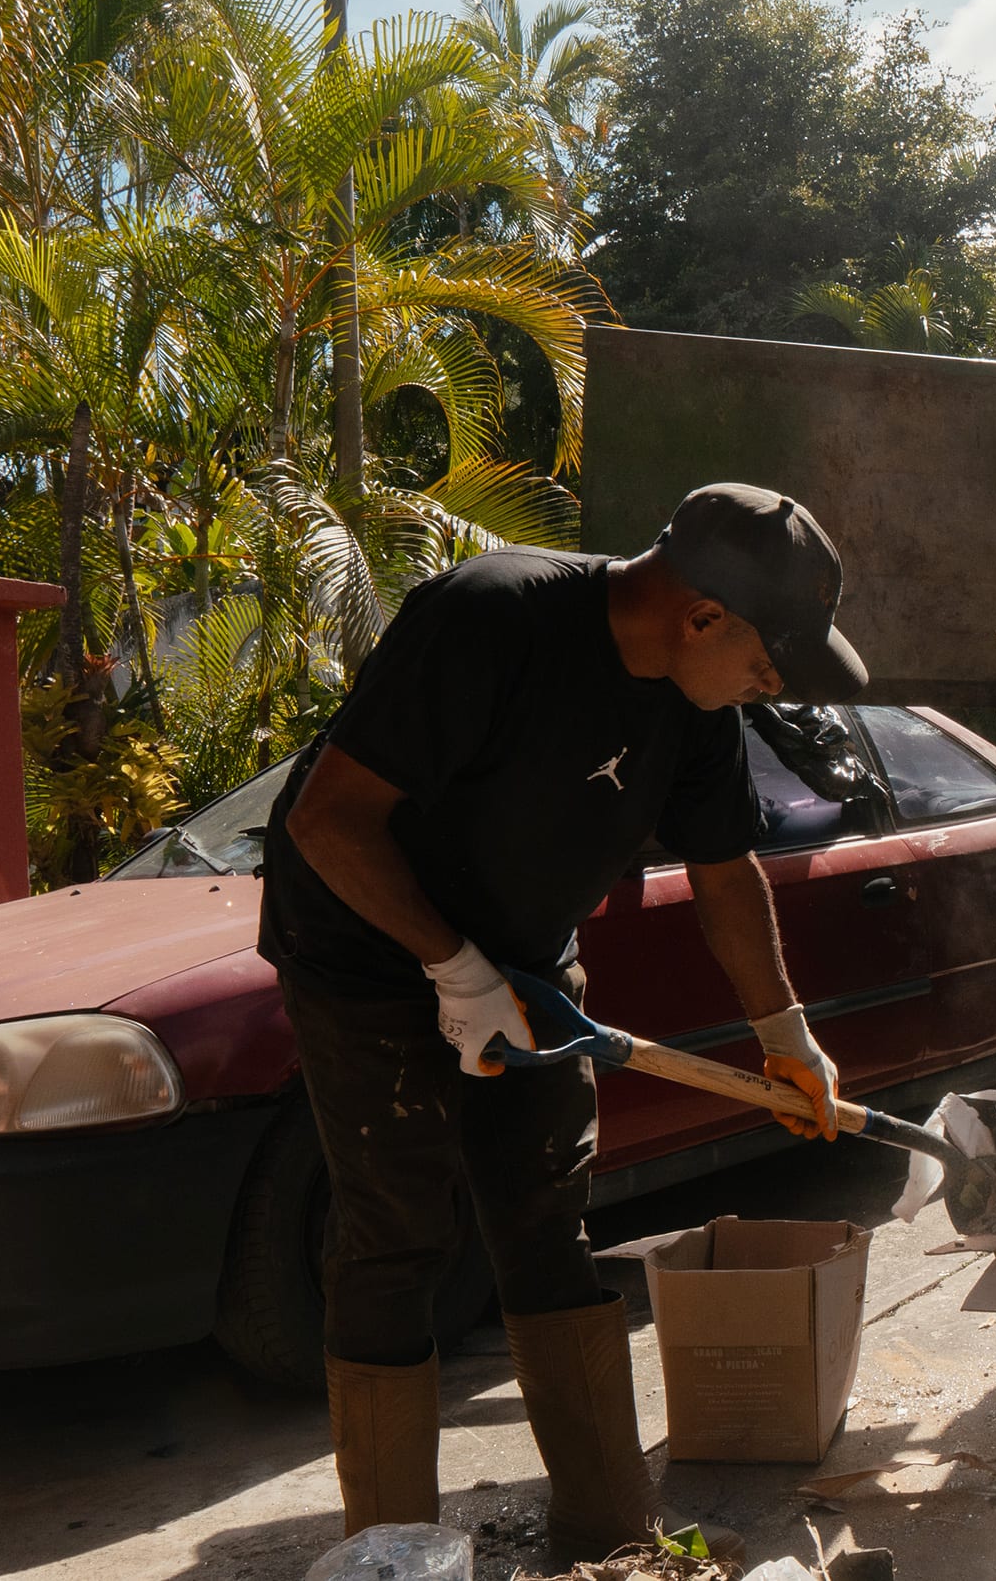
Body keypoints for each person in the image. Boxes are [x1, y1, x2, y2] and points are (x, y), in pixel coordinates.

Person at [257, 484, 865, 1556]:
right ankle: (390, 1560)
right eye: (769, 663)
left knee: (546, 1221)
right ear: (702, 616)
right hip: (365, 955)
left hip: (527, 962)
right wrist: (453, 969)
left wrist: (786, 1034)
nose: (770, 688)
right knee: (396, 1237)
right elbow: (328, 820)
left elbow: (726, 876)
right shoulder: (491, 618)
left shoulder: (695, 706)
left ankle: (610, 1537)